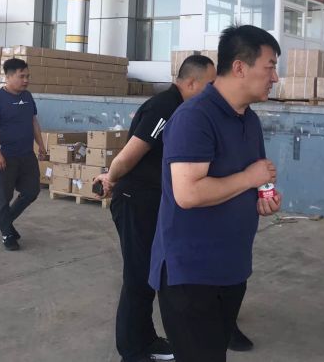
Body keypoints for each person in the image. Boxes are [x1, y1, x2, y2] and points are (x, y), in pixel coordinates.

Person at [149, 25, 282, 362]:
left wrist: (262, 197)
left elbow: (250, 179)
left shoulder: (248, 120)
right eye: (269, 67)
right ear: (239, 67)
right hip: (191, 273)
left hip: (231, 267)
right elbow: (188, 193)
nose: (275, 77)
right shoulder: (194, 117)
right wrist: (250, 177)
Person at [94, 55, 216, 362]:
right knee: (138, 278)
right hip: (135, 201)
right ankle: (132, 350)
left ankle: (146, 339)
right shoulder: (164, 107)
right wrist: (110, 177)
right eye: (210, 85)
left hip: (153, 203)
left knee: (149, 275)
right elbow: (129, 155)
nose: (214, 91)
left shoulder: (183, 109)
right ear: (192, 83)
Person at [0, 58, 46, 251]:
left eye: (27, 76)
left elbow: (33, 121)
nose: (26, 80)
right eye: (22, 76)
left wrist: (41, 145)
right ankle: (7, 234)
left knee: (32, 191)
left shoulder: (27, 96)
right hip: (5, 156)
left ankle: (4, 221)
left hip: (26, 154)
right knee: (4, 197)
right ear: (9, 76)